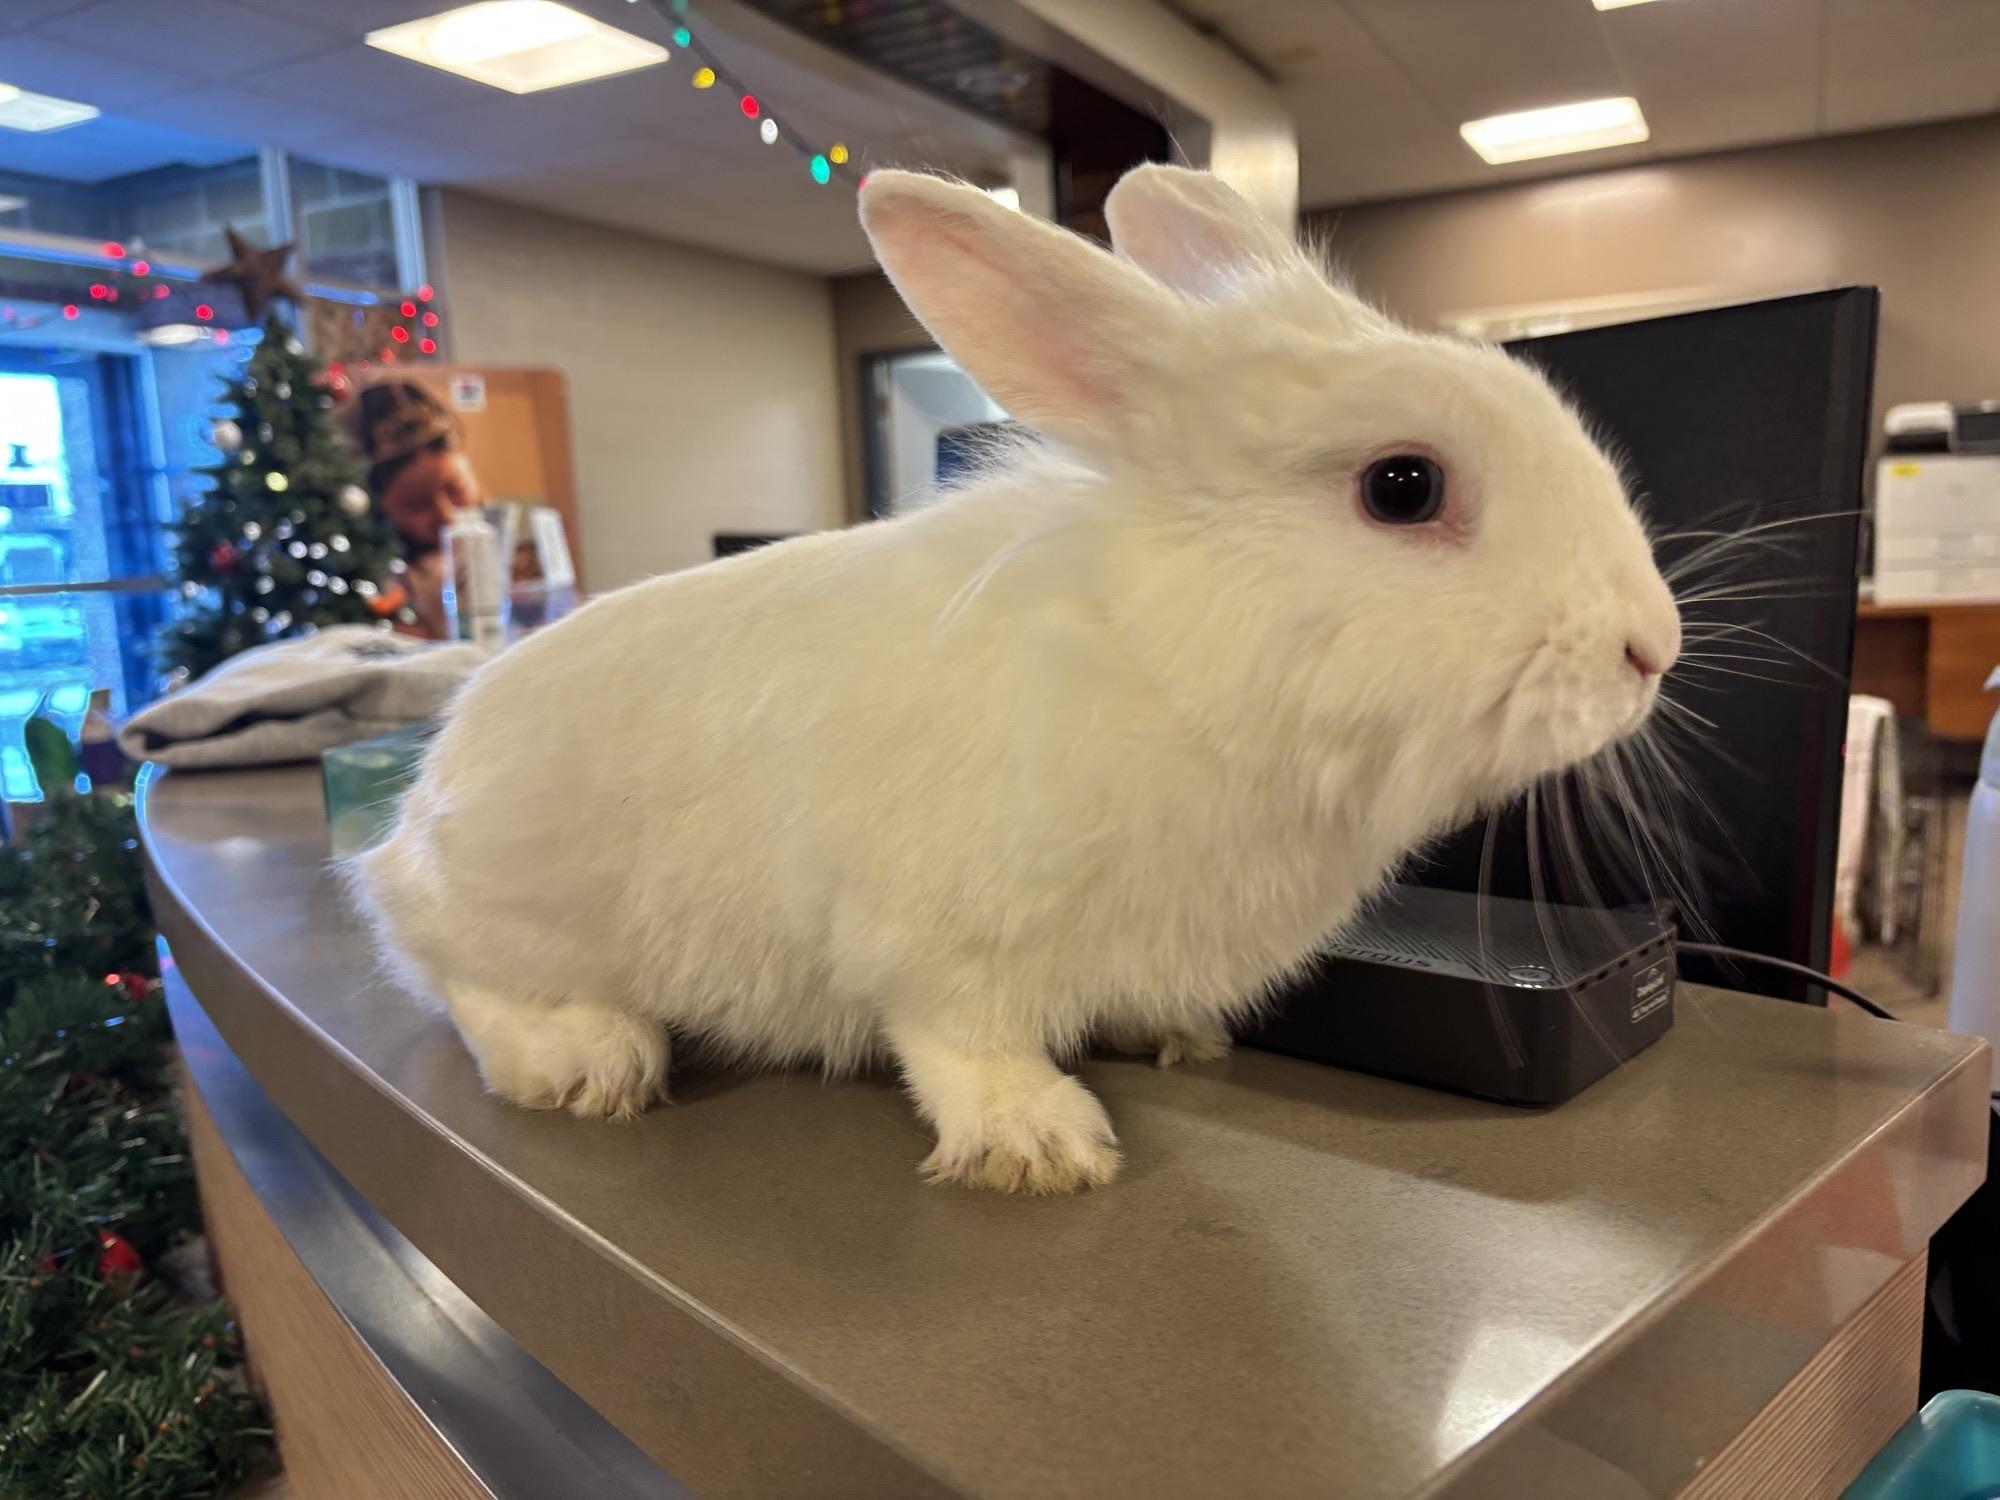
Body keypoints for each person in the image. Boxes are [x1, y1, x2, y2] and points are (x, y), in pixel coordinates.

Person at [350, 380, 487, 639]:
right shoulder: (381, 582)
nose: (446, 515)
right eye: (416, 505)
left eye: (455, 488)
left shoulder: (503, 549)